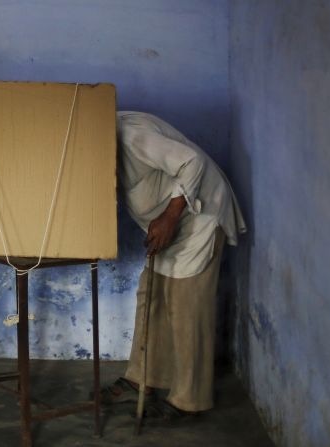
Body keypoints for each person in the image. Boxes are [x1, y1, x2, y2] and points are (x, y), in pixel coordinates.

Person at [103, 111, 246, 419]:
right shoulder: (100, 145)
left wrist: (169, 216)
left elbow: (192, 161)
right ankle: (143, 378)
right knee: (150, 296)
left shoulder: (130, 135)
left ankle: (189, 400)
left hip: (198, 215)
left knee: (186, 303)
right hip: (170, 222)